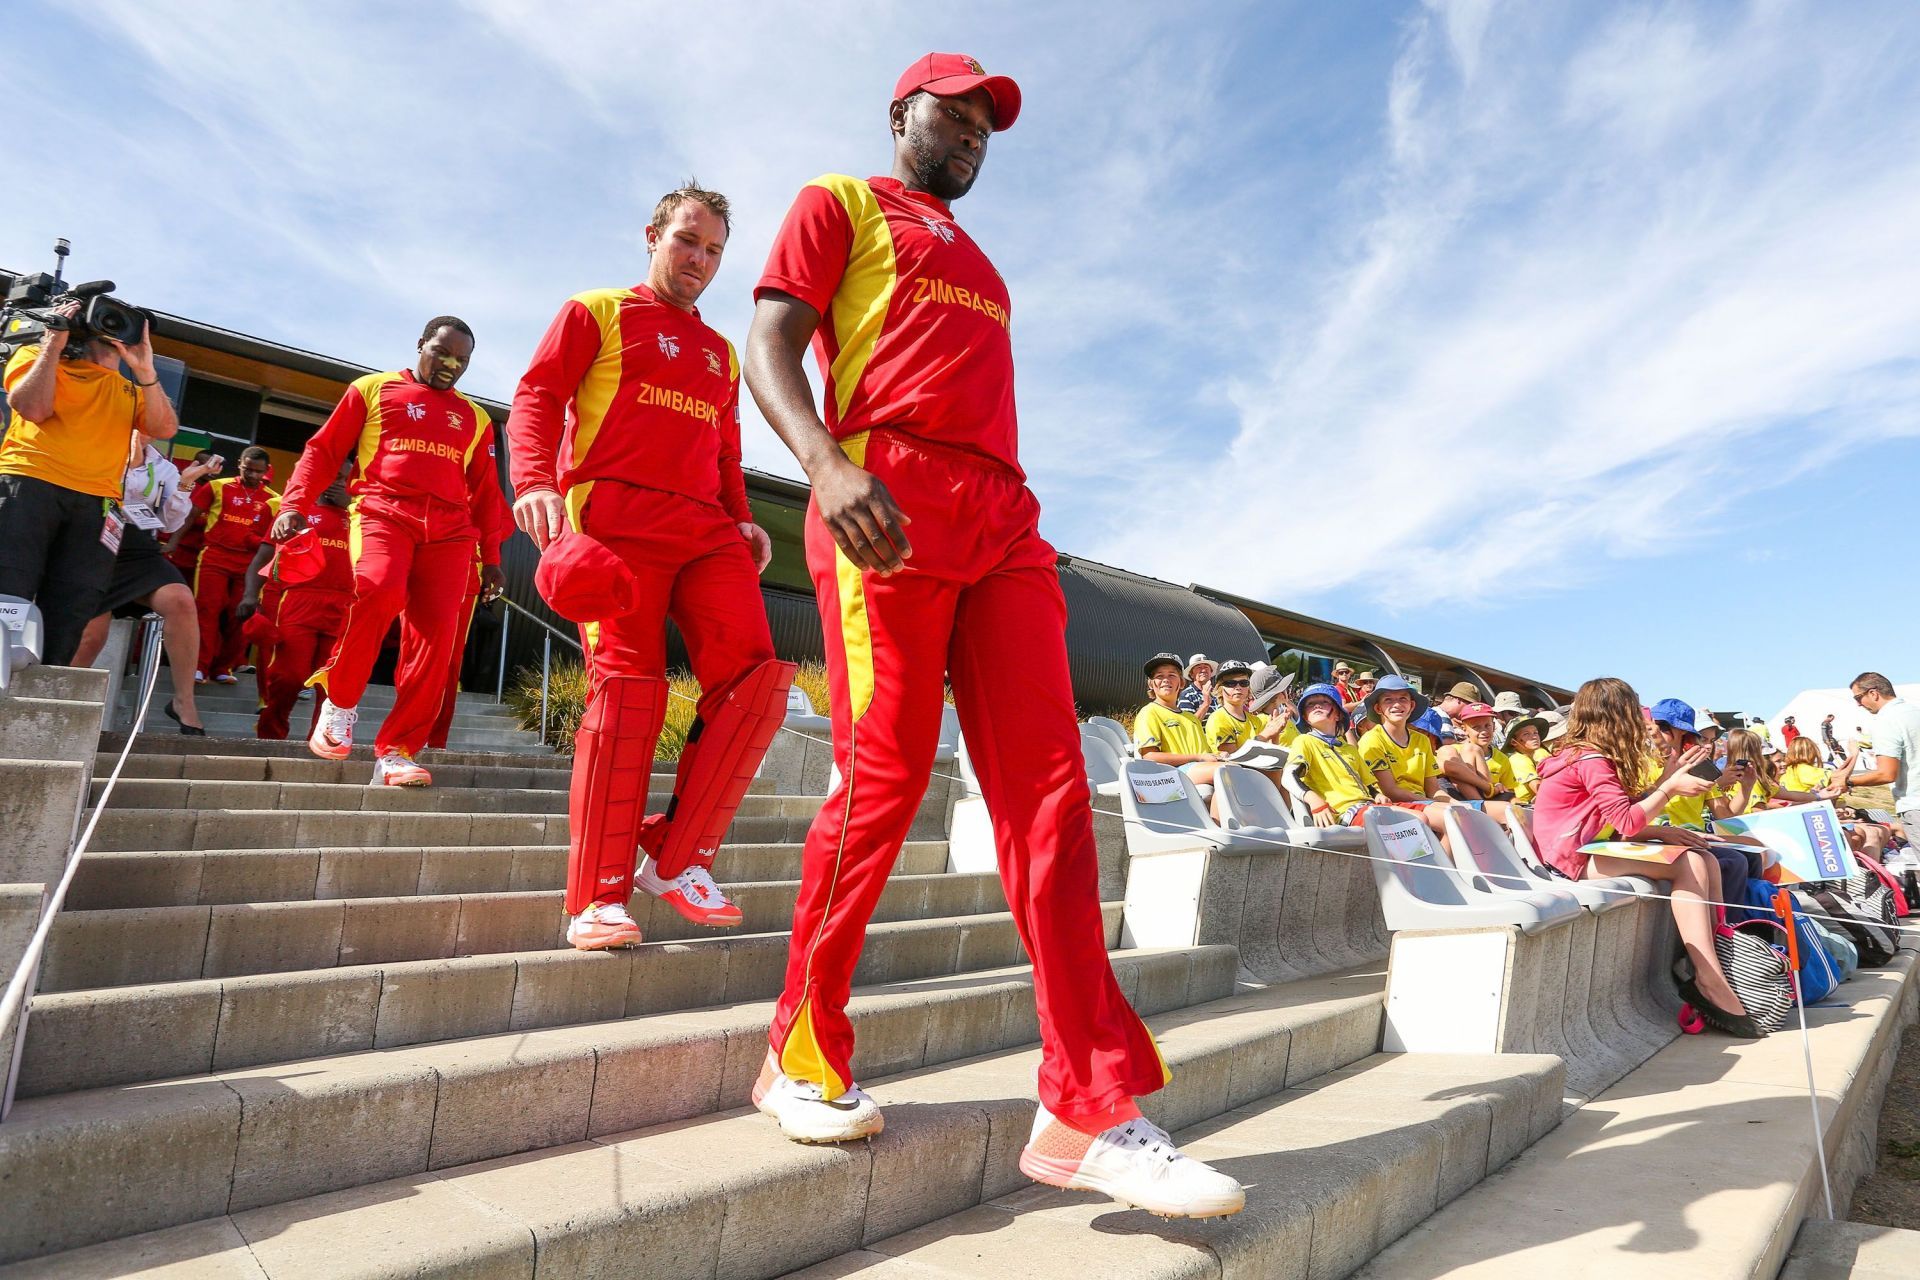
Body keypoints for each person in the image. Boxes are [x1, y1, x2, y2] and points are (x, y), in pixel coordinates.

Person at [743, 54, 1243, 1217]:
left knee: (1053, 798)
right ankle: (798, 1054)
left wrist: (1019, 523)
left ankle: (1087, 1101)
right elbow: (766, 344)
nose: (970, 135)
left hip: (1003, 520)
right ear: (900, 115)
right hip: (884, 499)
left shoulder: (984, 264)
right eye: (953, 115)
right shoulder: (841, 202)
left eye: (984, 126)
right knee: (883, 779)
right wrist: (825, 465)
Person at [509, 185, 794, 946]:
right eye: (686, 241)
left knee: (758, 683)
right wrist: (535, 481)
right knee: (629, 696)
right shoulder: (597, 311)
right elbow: (537, 395)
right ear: (652, 236)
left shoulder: (721, 352)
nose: (699, 260)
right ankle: (597, 898)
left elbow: (726, 450)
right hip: (616, 521)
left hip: (705, 530)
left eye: (712, 251)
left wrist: (741, 517)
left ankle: (675, 857)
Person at [278, 318, 506, 786]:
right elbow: (323, 452)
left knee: (436, 639)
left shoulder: (476, 418)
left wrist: (494, 560)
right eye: (442, 352)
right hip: (384, 512)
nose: (450, 366)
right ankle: (339, 704)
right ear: (421, 344)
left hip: (450, 532)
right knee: (379, 590)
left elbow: (484, 494)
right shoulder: (371, 390)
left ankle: (397, 751)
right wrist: (294, 503)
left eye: (461, 360)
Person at [1530, 677, 1755, 1034]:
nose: (1641, 720)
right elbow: (1627, 822)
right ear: (1617, 715)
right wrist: (1669, 788)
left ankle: (1716, 965)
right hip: (1569, 859)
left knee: (1706, 858)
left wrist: (1668, 779)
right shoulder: (1592, 759)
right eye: (1635, 711)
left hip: (1582, 849)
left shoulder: (1587, 754)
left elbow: (1622, 814)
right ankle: (1707, 978)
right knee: (1689, 862)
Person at [0, 298, 179, 664]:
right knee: (8, 591)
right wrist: (55, 342)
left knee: (73, 605)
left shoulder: (131, 389)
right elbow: (33, 408)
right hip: (29, 483)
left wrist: (144, 367)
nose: (115, 331)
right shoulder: (38, 354)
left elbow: (164, 428)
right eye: (107, 320)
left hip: (98, 504)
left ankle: (43, 695)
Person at [70, 439, 217, 733]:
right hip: (91, 541)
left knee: (180, 599)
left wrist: (186, 485)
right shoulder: (97, 446)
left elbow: (168, 525)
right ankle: (59, 704)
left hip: (137, 546)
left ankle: (183, 702)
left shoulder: (163, 467)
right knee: (91, 637)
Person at [243, 460, 353, 741]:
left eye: (346, 478)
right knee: (288, 677)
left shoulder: (362, 517)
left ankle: (320, 741)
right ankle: (270, 732)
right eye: (334, 475)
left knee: (331, 684)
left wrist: (351, 507)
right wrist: (249, 595)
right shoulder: (295, 515)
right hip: (299, 600)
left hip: (345, 606)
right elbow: (264, 555)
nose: (339, 482)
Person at [427, 478, 513, 750]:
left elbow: (503, 523)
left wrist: (481, 549)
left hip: (463, 571)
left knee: (447, 661)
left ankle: (434, 739)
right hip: (419, 557)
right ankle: (403, 738)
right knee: (419, 657)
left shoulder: (477, 474)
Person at [188, 446, 278, 684]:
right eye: (248, 469)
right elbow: (190, 516)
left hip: (249, 566)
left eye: (258, 471)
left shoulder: (273, 499)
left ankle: (223, 667)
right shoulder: (217, 487)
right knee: (207, 611)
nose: (253, 475)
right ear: (240, 464)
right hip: (214, 558)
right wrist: (172, 542)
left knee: (242, 616)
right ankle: (199, 666)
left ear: (266, 471)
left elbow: (272, 539)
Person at [1358, 675, 1454, 842]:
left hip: (1424, 803)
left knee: (1482, 814)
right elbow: (1390, 791)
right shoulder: (1372, 739)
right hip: (1396, 805)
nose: (1396, 704)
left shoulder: (1422, 740)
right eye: (1388, 700)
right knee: (1454, 821)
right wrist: (1435, 804)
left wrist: (1458, 804)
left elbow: (1433, 789)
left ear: (1411, 705)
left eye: (1403, 698)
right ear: (1378, 708)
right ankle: (1437, 869)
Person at [1282, 682, 1383, 827]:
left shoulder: (1350, 749)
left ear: (1338, 714)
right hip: (1344, 813)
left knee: (1421, 817)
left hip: (1370, 808)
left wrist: (1379, 795)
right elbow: (1288, 777)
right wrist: (1314, 800)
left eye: (1324, 702)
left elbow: (1369, 786)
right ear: (1304, 716)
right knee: (1385, 820)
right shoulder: (1305, 740)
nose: (1317, 706)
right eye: (1310, 704)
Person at [1839, 673, 1920, 848]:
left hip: (1915, 802)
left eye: (1859, 698)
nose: (1859, 704)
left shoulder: (1886, 720)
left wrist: (1849, 782)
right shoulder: (1914, 712)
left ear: (1873, 693)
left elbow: (1886, 773)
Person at [1134, 653, 1225, 784]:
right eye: (1159, 676)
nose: (1166, 679)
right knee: (1224, 772)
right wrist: (1198, 757)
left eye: (1172, 675)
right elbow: (1149, 756)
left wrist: (1218, 755)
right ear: (1151, 684)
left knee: (1239, 771)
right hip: (1169, 774)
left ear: (1181, 682)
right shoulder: (1149, 712)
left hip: (1196, 770)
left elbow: (1205, 752)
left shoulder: (1191, 718)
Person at [162, 449, 220, 575]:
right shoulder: (180, 485)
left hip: (196, 553)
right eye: (205, 465)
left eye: (213, 466)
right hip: (171, 546)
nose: (209, 470)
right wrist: (172, 543)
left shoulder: (217, 491)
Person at [1176, 653, 1216, 719]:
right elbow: (1189, 723)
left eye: (1206, 667)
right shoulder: (1186, 695)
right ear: (1191, 674)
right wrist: (1206, 703)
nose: (1203, 670)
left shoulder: (1218, 692)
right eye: (1199, 667)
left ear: (1211, 672)